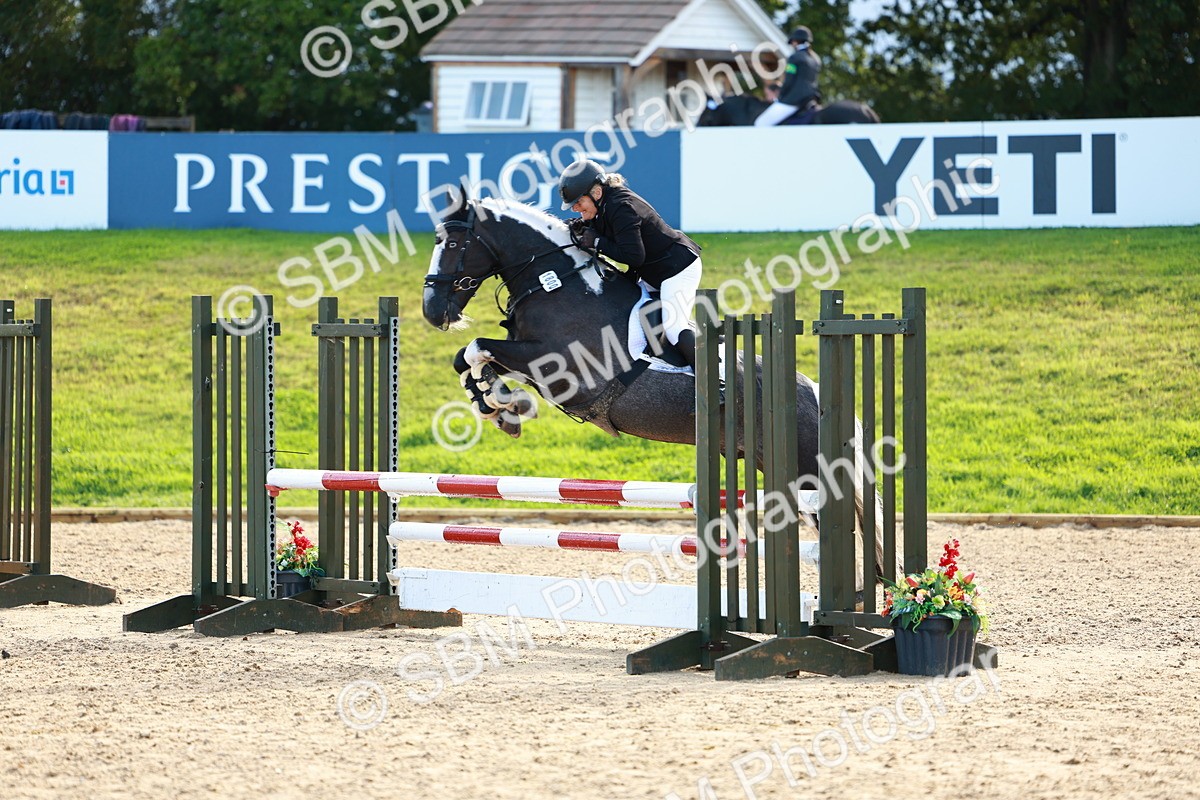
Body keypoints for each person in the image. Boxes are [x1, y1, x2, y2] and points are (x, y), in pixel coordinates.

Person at [558, 159, 703, 371]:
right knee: (633, 325)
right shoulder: (604, 205)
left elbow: (634, 256)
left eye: (579, 203)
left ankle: (715, 380)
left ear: (596, 193)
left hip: (678, 269)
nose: (575, 209)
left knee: (674, 327)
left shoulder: (622, 207)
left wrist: (597, 242)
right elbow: (597, 227)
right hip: (655, 272)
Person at [755, 26, 822, 127]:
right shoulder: (816, 59)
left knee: (760, 123)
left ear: (795, 42)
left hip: (794, 100)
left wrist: (780, 96)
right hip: (811, 99)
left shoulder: (794, 58)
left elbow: (789, 81)